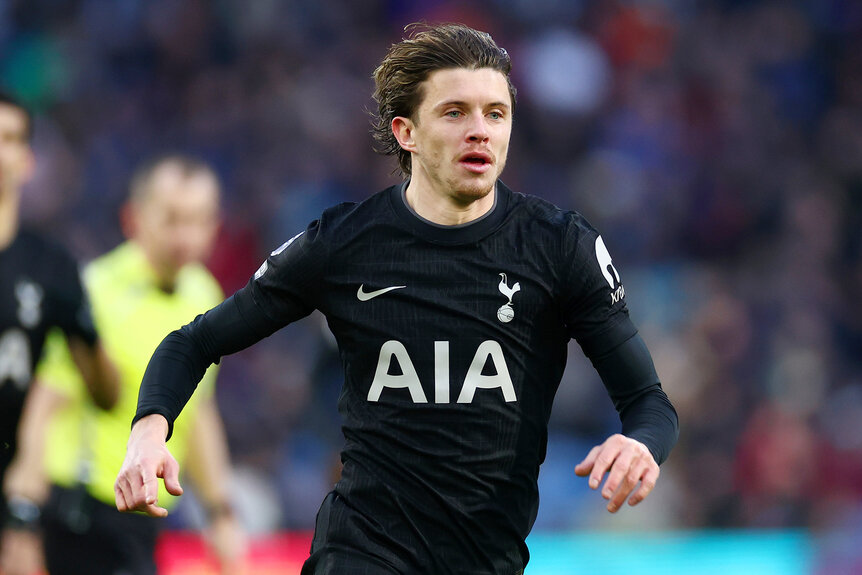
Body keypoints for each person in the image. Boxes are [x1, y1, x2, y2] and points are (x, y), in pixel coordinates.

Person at [116, 23, 680, 575]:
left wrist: (641, 445)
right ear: (406, 132)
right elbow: (194, 341)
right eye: (454, 112)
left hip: (489, 558)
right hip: (363, 551)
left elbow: (649, 402)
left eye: (496, 113)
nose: (480, 130)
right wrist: (149, 429)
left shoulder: (559, 247)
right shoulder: (344, 244)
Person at [7, 155, 245, 575]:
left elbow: (198, 411)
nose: (185, 235)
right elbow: (45, 403)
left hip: (145, 518)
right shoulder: (97, 290)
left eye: (198, 220)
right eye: (172, 219)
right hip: (83, 512)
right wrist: (22, 518)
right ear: (135, 218)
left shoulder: (203, 294)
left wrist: (220, 512)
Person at [0, 90, 118, 575]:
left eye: (8, 139)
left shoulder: (52, 268)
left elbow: (105, 393)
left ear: (27, 161)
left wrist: (88, 339)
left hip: (18, 493)